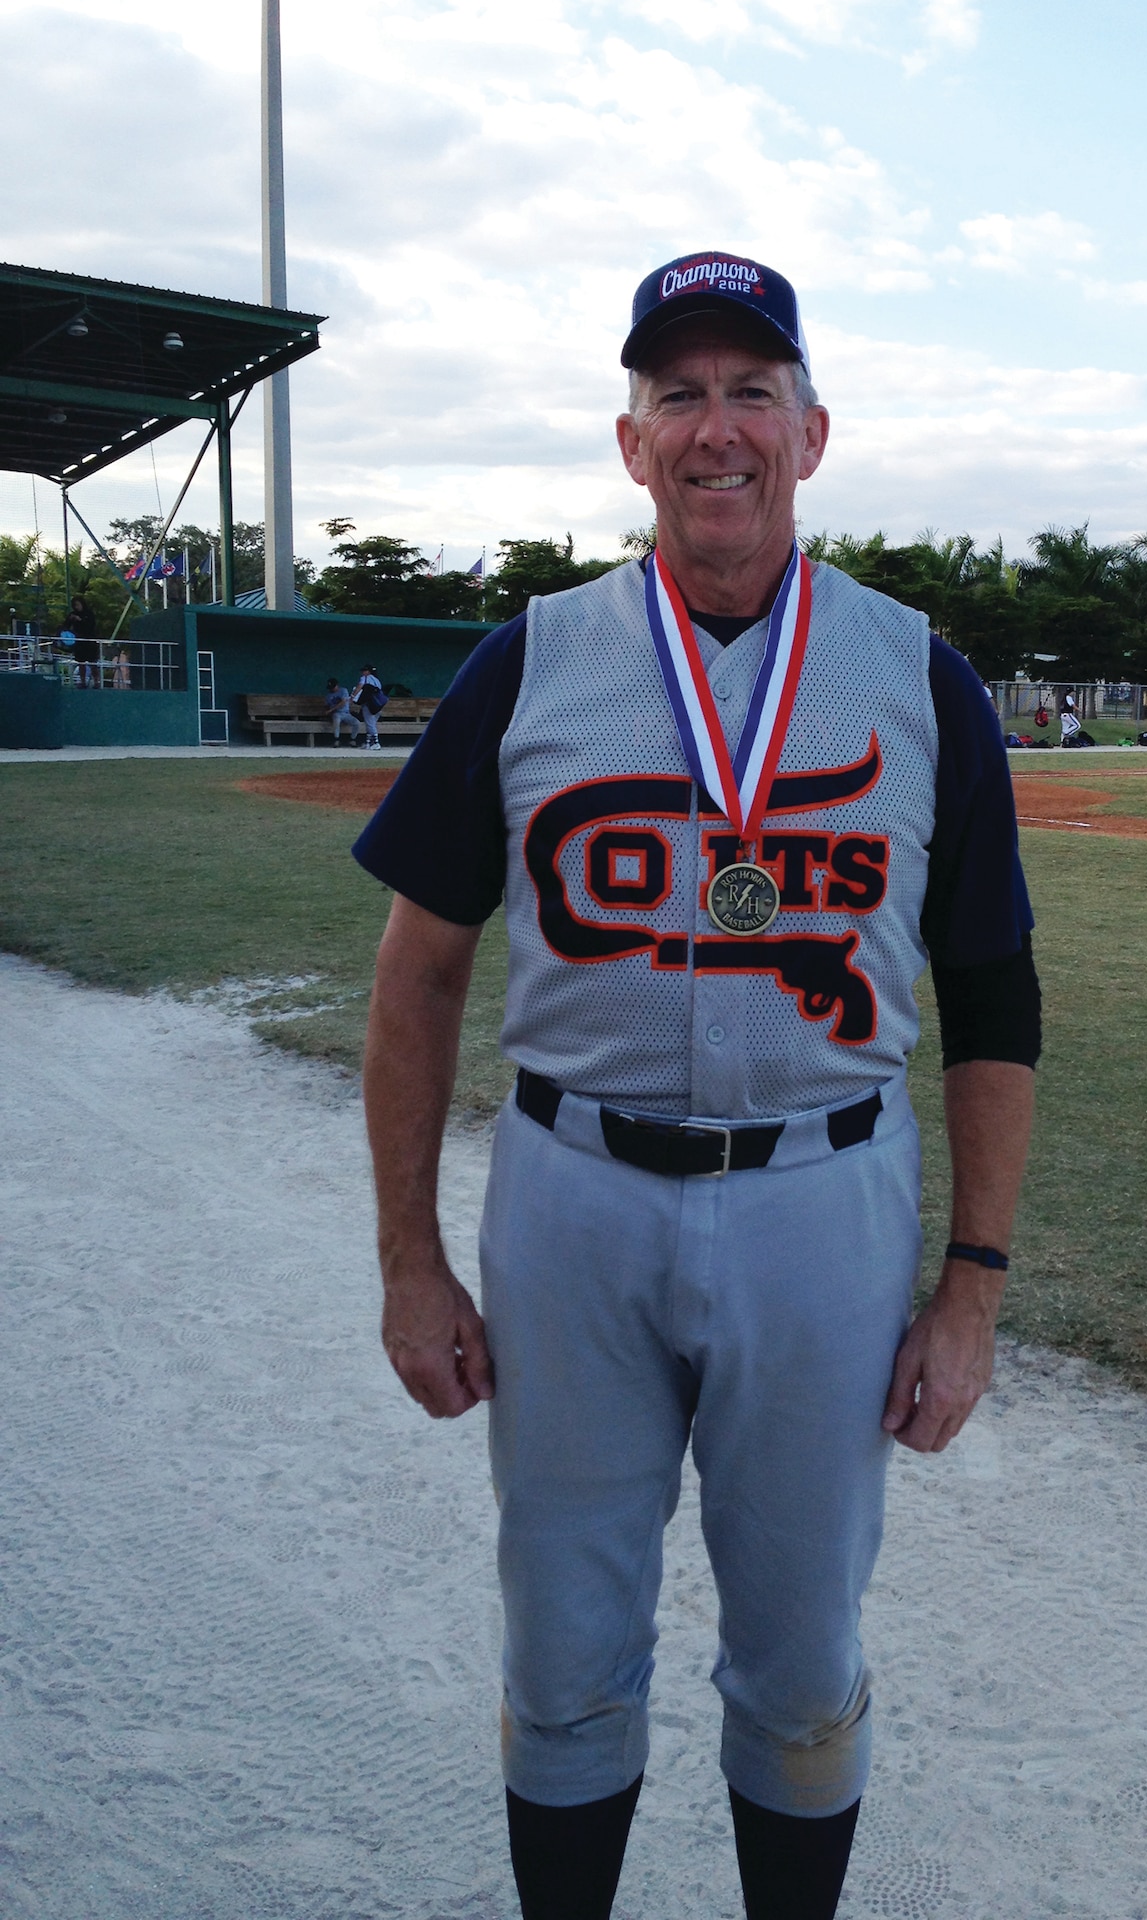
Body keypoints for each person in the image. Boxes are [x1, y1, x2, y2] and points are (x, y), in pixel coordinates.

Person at [353, 250, 1041, 1920]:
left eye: (752, 391)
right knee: (569, 1640)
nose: (716, 426)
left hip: (827, 1195)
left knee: (802, 1660)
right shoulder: (534, 661)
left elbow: (995, 991)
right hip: (573, 1195)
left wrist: (974, 1285)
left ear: (812, 436)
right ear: (629, 439)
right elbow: (420, 971)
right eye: (681, 394)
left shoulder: (915, 672)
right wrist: (410, 1259)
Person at [66, 595, 98, 689]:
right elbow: (66, 625)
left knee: (93, 663)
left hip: (90, 641)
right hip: (79, 642)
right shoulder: (73, 614)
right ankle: (83, 681)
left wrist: (81, 620)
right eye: (75, 605)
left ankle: (97, 681)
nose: (77, 607)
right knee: (81, 663)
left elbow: (91, 625)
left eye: (78, 605)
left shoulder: (89, 613)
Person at [350, 664, 385, 749]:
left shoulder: (365, 678)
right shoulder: (377, 680)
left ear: (369, 671)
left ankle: (376, 743)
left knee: (370, 724)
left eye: (364, 671)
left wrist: (352, 696)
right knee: (371, 724)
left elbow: (359, 687)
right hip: (378, 705)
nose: (363, 672)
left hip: (369, 704)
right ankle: (368, 743)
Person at [324, 677, 359, 746]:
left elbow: (343, 702)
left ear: (337, 685)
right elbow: (326, 706)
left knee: (357, 723)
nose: (332, 689)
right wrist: (328, 712)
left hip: (346, 713)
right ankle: (336, 740)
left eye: (333, 687)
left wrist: (331, 709)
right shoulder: (328, 695)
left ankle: (352, 740)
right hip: (336, 714)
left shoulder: (343, 690)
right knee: (336, 719)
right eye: (331, 687)